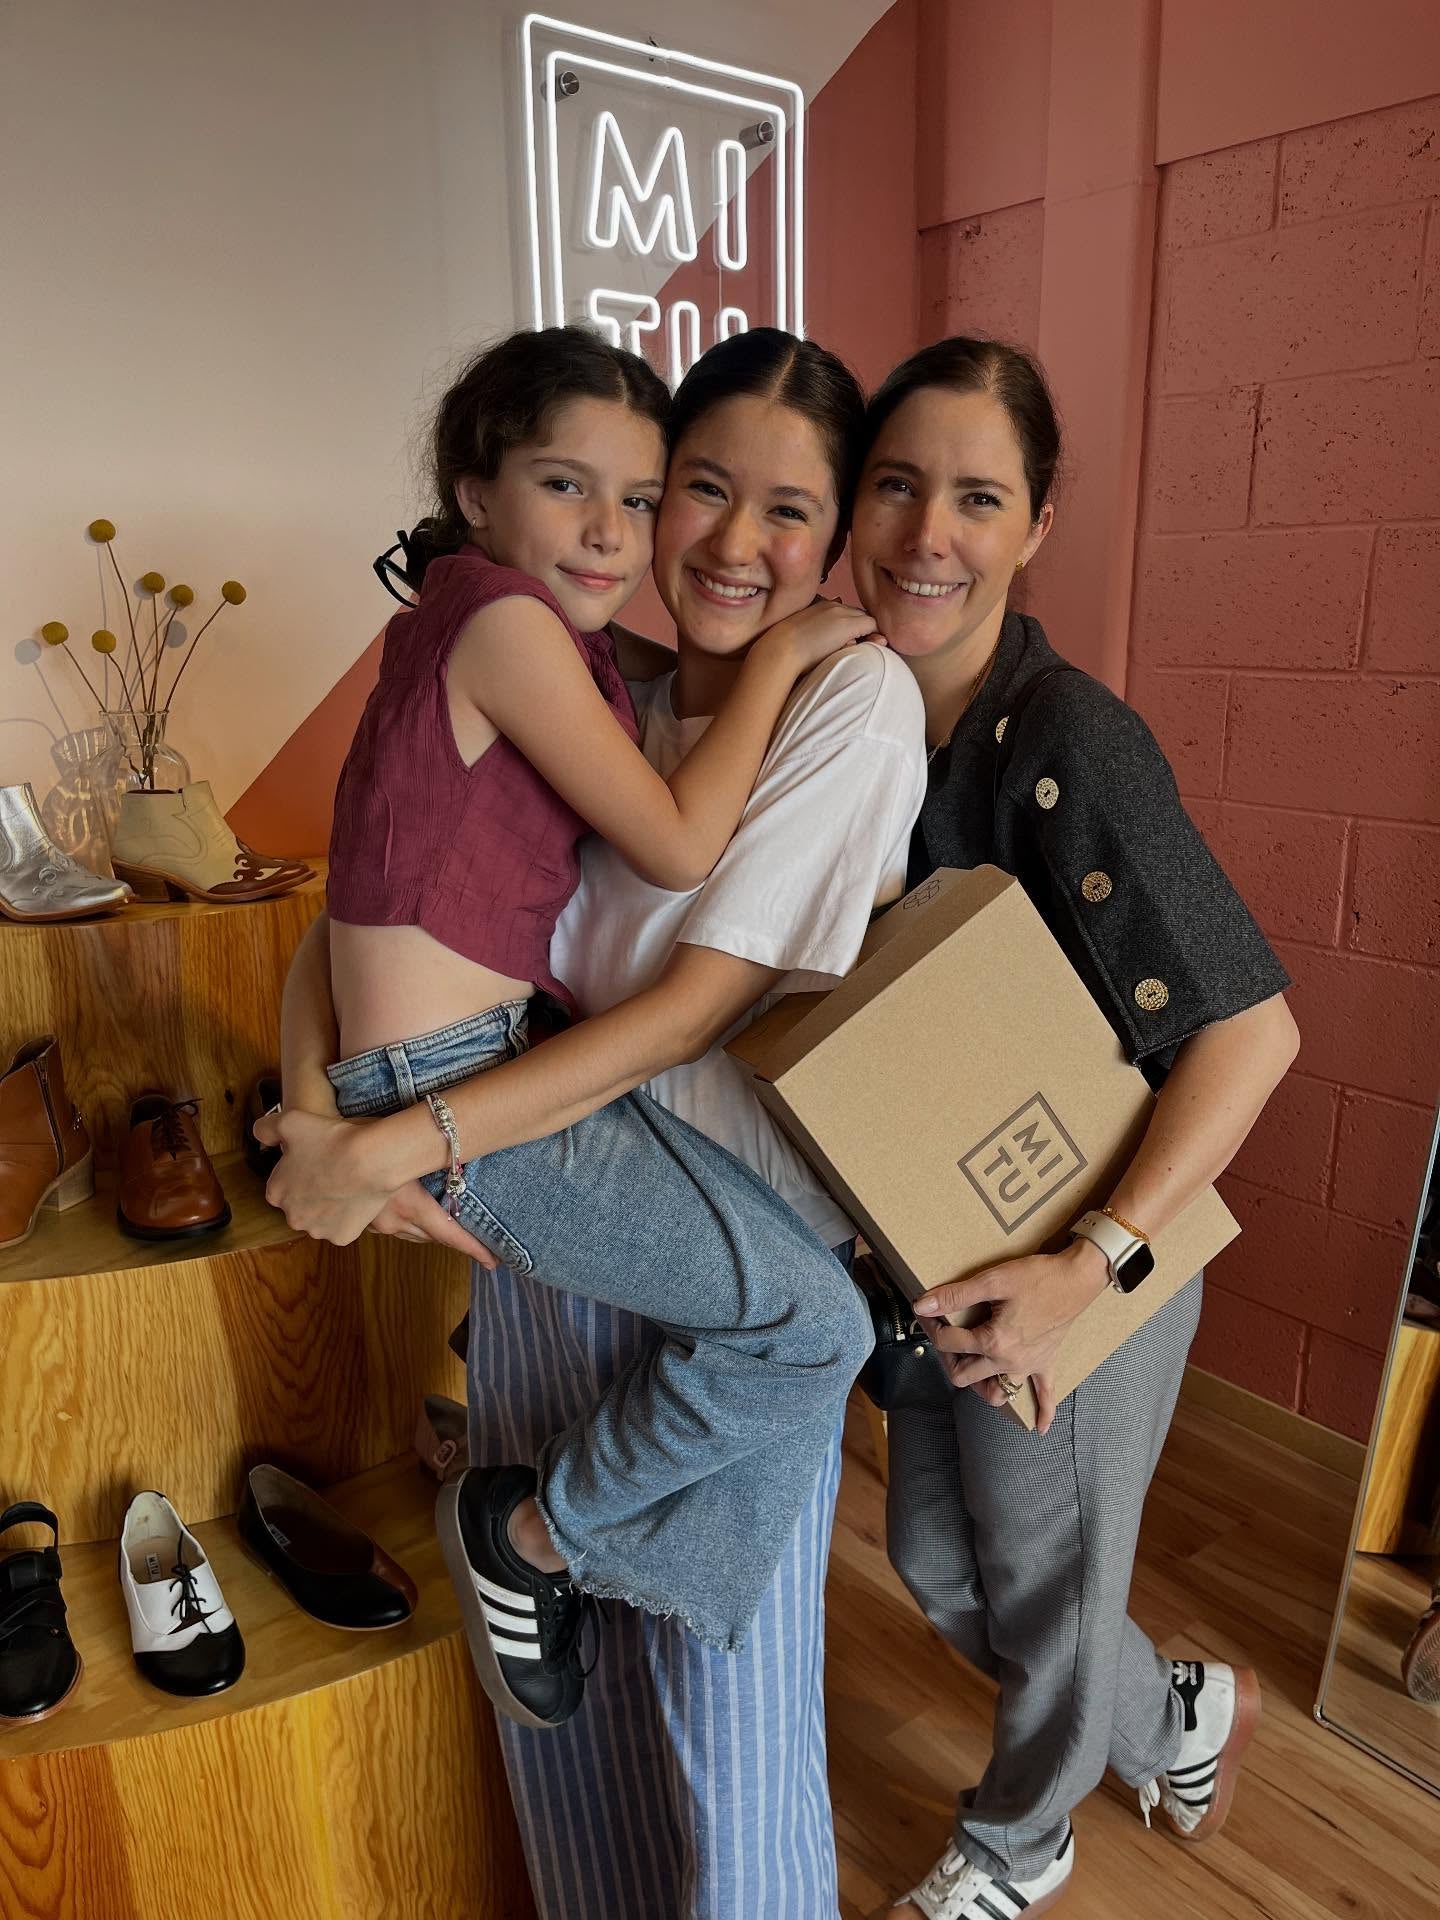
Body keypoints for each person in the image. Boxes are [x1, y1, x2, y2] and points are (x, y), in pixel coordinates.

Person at [267, 325, 927, 1917]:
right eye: (692, 488)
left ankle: (535, 1535)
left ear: (836, 542)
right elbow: (361, 900)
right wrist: (317, 1108)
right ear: (480, 487)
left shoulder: (848, 698)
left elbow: (690, 1009)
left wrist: (378, 1140)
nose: (711, 538)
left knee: (721, 1739)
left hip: (664, 1210)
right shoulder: (578, 667)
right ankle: (534, 1544)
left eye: (789, 511)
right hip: (543, 1196)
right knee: (580, 1755)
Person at [843, 336, 1301, 1920]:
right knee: (940, 1567)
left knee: (1046, 1580)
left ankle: (1022, 1840)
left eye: (979, 497)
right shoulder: (854, 721)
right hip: (943, 1244)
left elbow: (1254, 1033)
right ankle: (1175, 1714)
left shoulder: (1067, 740)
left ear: (1036, 525)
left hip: (1097, 1251)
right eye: (897, 485)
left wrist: (1090, 1266)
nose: (929, 534)